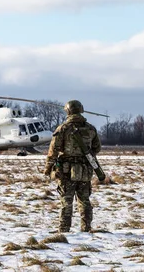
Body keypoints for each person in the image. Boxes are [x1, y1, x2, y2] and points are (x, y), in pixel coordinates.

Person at [43, 99, 101, 233]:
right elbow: (97, 148)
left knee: (66, 201)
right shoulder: (91, 128)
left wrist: (48, 169)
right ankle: (86, 228)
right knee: (85, 201)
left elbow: (53, 152)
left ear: (68, 111)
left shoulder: (63, 129)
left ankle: (64, 230)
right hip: (84, 170)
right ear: (81, 110)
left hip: (66, 171)